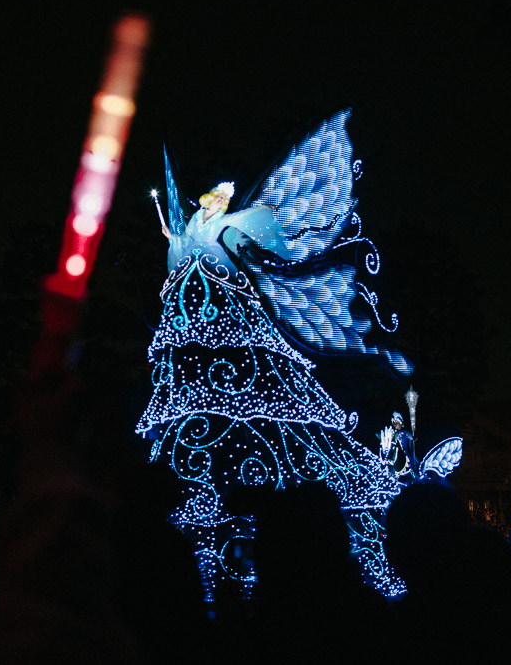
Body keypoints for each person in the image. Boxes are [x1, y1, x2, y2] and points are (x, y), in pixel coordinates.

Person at [141, 181, 403, 598]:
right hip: (201, 315)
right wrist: (174, 239)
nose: (214, 205)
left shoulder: (228, 228)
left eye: (219, 200)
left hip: (229, 309)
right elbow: (181, 252)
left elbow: (235, 254)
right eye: (213, 200)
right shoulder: (194, 228)